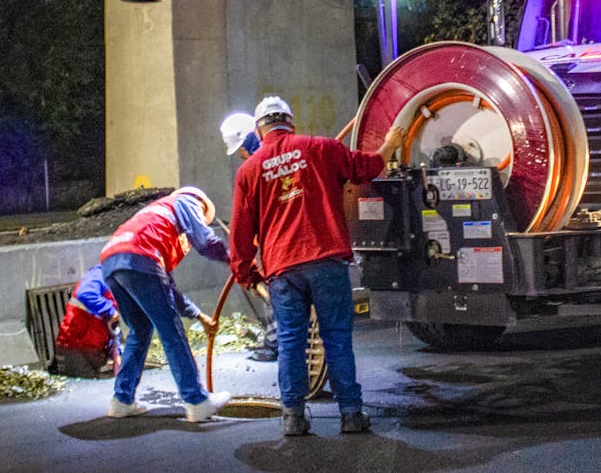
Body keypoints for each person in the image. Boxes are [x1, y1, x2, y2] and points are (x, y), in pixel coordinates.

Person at [230, 95, 405, 436]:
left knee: (291, 341)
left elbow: (240, 233)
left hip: (282, 269)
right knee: (337, 337)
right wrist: (389, 146)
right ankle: (351, 414)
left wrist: (245, 273)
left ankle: (293, 417)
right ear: (290, 122)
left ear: (259, 129)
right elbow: (365, 168)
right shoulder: (321, 148)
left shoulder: (249, 171)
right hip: (326, 259)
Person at [100, 186, 232, 421]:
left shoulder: (155, 221)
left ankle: (121, 400)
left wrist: (199, 316)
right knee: (171, 330)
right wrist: (235, 259)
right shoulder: (187, 201)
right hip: (139, 257)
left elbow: (166, 288)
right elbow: (205, 242)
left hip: (112, 261)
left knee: (139, 330)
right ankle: (197, 401)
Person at [220, 112, 279, 362]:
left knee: (277, 295)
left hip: (277, 248)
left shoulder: (252, 171)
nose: (241, 156)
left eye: (241, 150)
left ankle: (277, 344)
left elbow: (244, 226)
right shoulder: (280, 160)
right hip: (282, 245)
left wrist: (243, 270)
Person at [51, 264, 121, 378]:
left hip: (95, 350)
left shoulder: (117, 282)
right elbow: (85, 294)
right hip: (73, 349)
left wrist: (116, 353)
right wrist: (110, 310)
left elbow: (114, 325)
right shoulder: (100, 275)